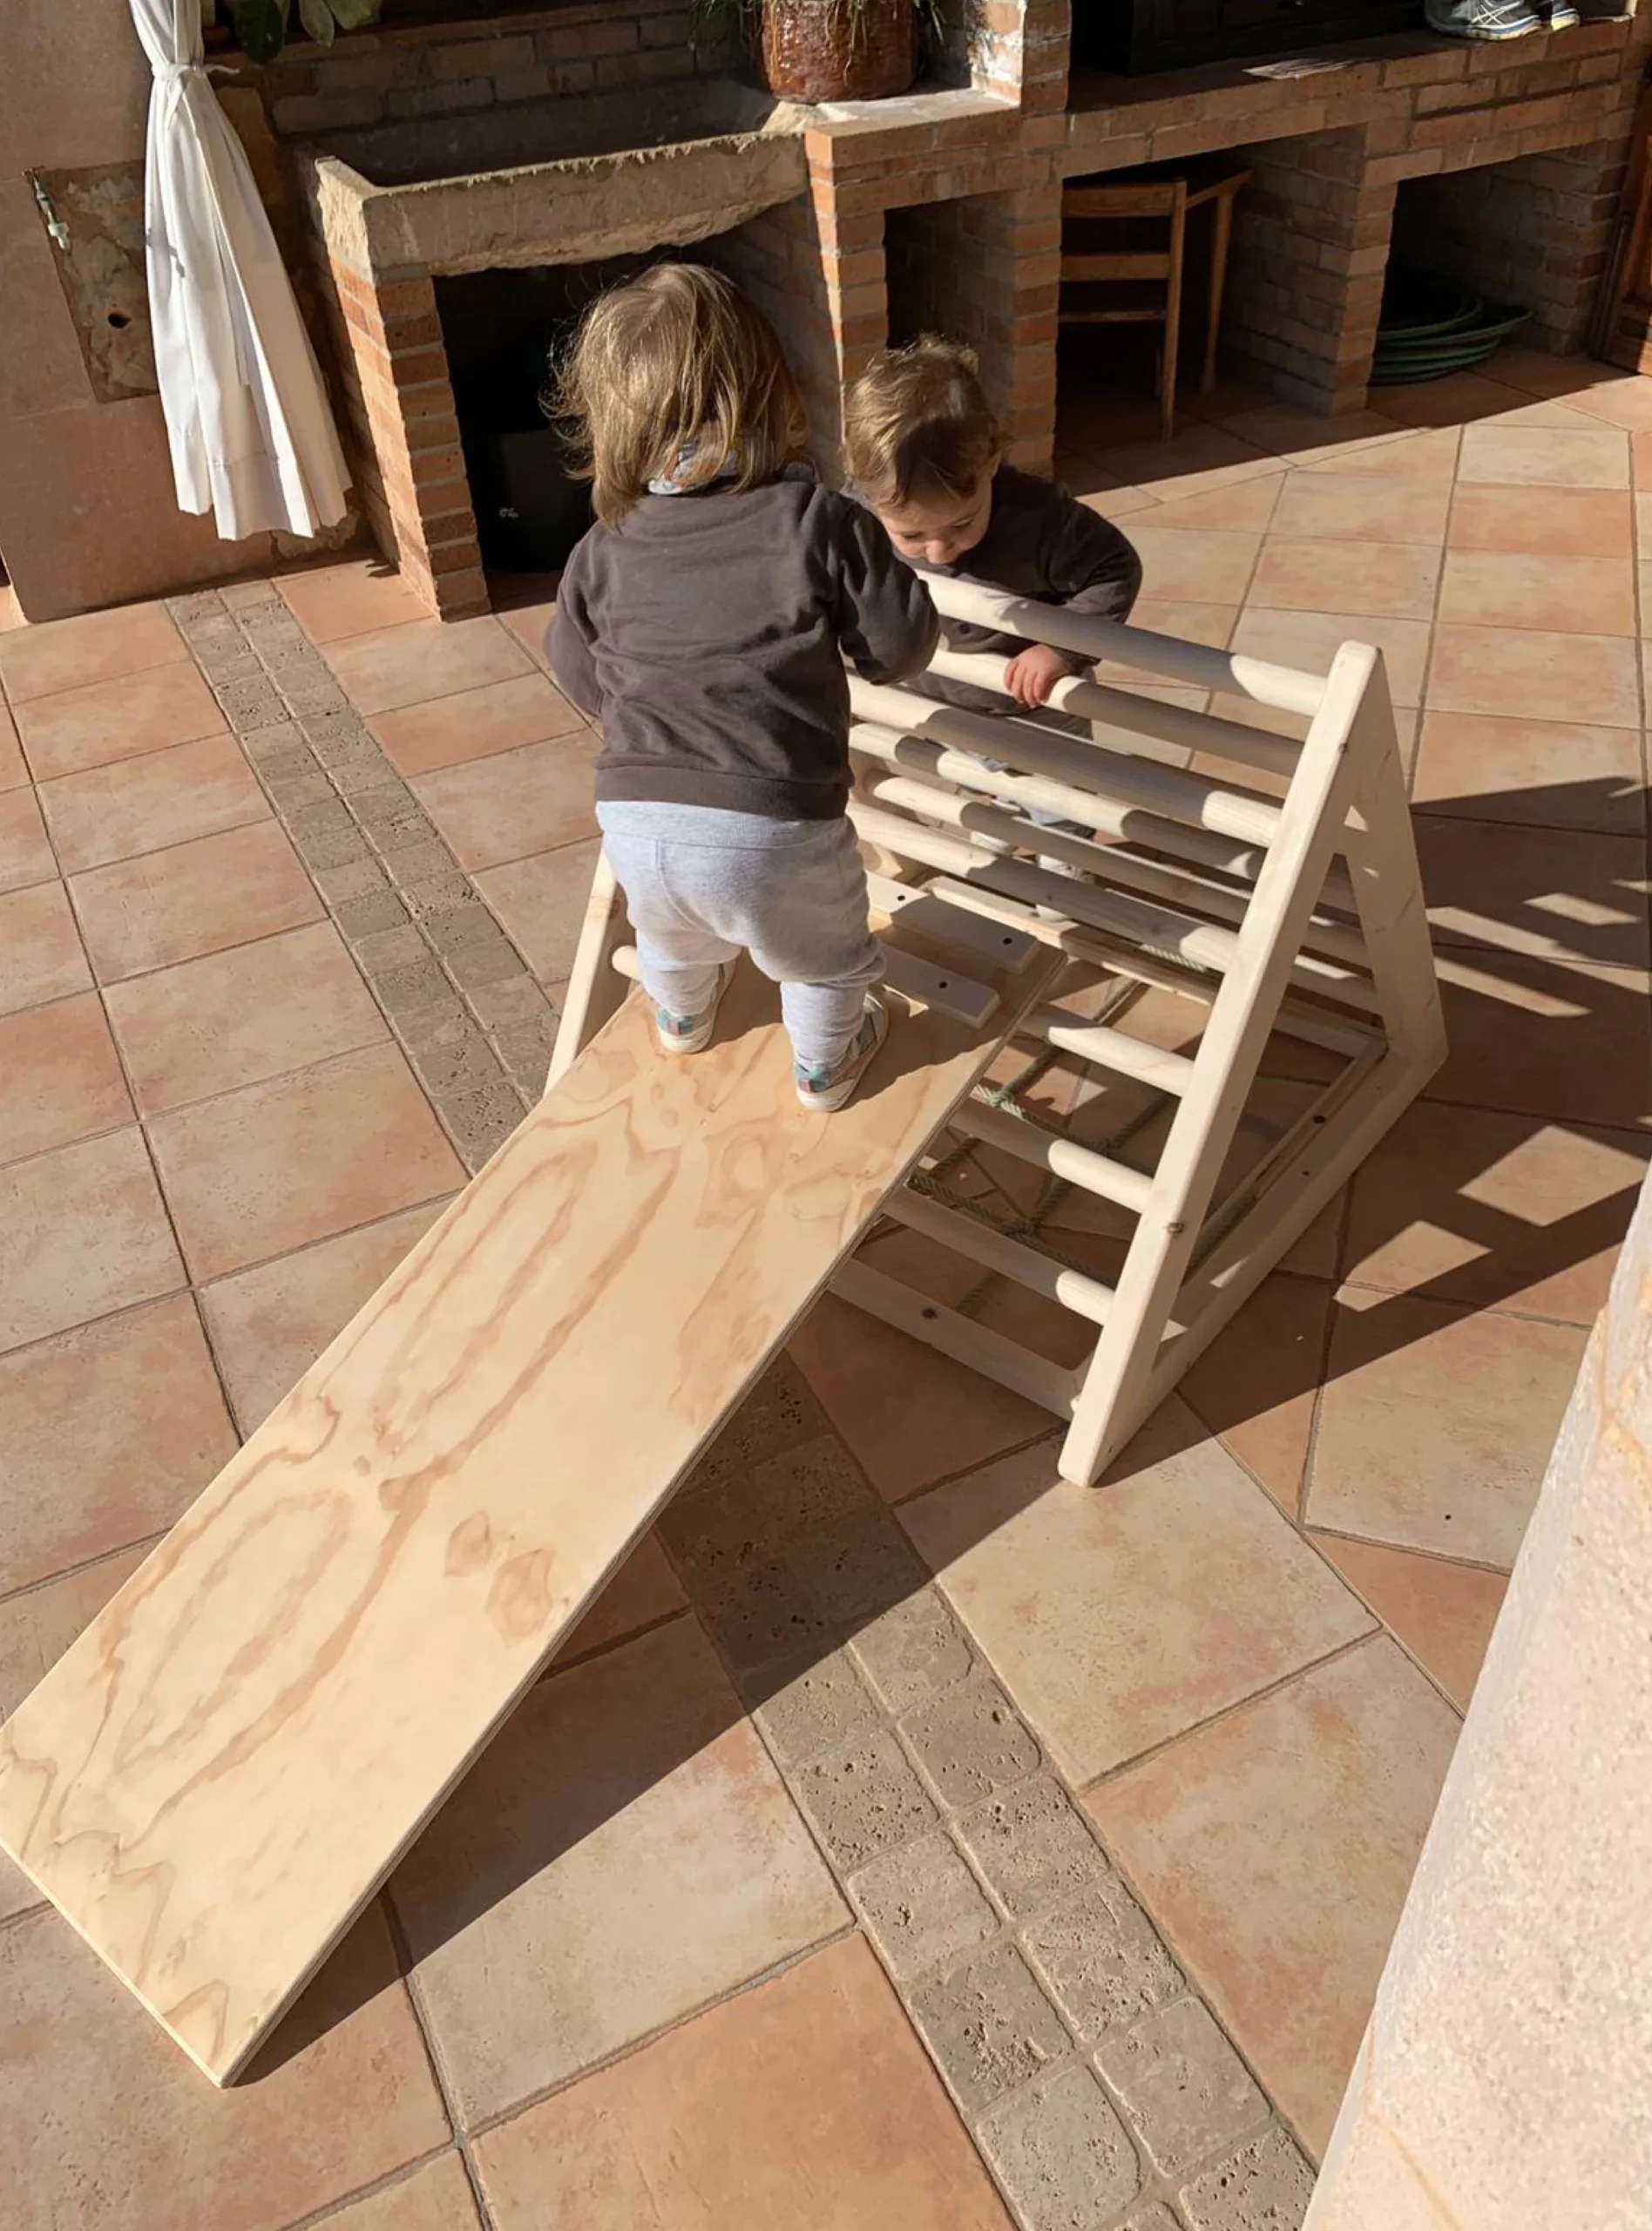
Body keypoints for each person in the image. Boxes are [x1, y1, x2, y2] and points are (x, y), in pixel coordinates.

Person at [546, 263, 939, 1113]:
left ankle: (682, 1015)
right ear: (774, 395)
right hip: (773, 827)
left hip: (634, 819)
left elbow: (578, 670)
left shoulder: (602, 549)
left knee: (671, 933)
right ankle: (826, 1065)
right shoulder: (816, 521)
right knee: (823, 952)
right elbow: (900, 646)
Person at [843, 335, 1143, 724]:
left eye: (963, 522)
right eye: (912, 536)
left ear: (992, 464)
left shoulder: (1037, 519)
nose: (939, 552)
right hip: (938, 703)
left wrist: (1061, 649)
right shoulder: (857, 511)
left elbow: (1115, 567)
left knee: (1057, 786)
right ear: (866, 493)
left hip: (1032, 711)